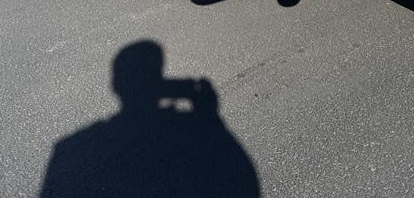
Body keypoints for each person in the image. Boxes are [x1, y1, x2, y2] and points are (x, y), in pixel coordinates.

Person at [39, 41, 259, 197]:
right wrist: (206, 112)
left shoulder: (70, 149)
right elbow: (239, 177)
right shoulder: (70, 149)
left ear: (116, 86)